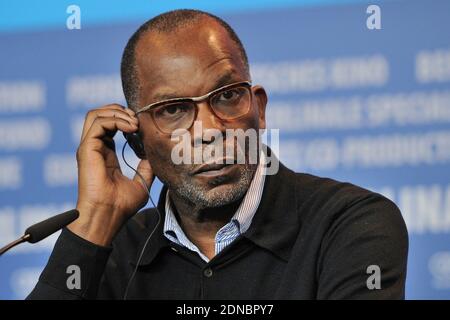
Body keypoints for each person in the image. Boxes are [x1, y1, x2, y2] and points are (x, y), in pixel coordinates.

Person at [27, 9, 408, 300]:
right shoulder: (113, 250)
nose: (209, 131)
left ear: (259, 109)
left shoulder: (352, 224)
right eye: (173, 109)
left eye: (227, 96)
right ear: (137, 138)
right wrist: (95, 223)